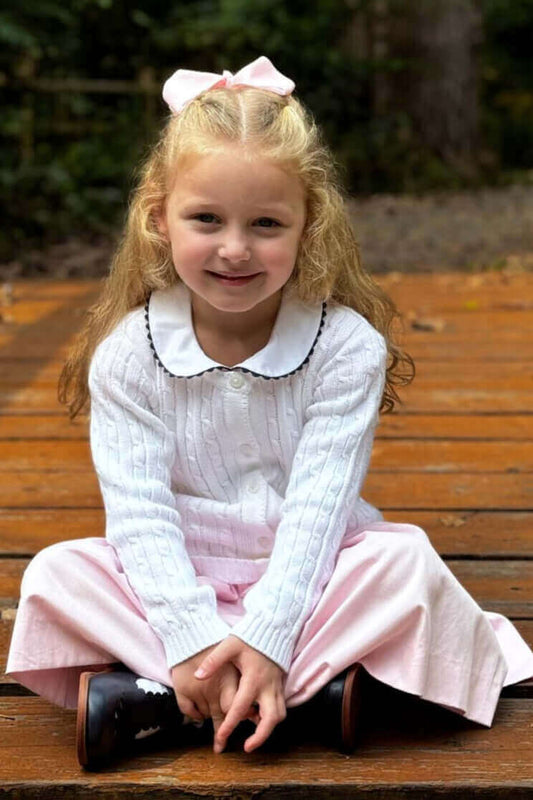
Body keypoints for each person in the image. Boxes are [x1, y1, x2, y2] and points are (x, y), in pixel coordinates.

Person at [6, 56, 533, 770]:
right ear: (158, 219)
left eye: (264, 223)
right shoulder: (130, 354)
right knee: (55, 575)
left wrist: (269, 635)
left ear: (307, 224)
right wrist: (193, 636)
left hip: (312, 573)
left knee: (403, 564)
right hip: (176, 569)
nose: (233, 248)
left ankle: (165, 697)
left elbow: (320, 508)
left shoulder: (342, 344)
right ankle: (296, 695)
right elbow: (139, 516)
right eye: (205, 219)